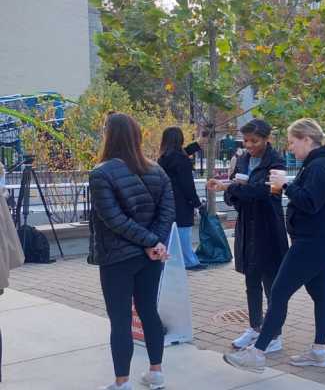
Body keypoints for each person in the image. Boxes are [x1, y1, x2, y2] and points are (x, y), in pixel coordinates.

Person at [224, 118, 325, 372]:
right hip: (317, 239)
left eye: (292, 142)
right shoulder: (317, 164)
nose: (290, 148)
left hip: (313, 242)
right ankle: (319, 352)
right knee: (320, 294)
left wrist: (285, 185)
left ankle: (257, 353)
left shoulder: (321, 166)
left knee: (278, 293)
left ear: (307, 140)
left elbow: (311, 202)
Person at [89, 113, 174, 390]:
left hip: (117, 257)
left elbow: (112, 219)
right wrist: (155, 243)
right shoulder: (157, 170)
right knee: (149, 311)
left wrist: (152, 243)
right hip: (150, 257)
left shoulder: (101, 173)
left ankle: (122, 382)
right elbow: (167, 212)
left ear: (109, 135)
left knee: (121, 319)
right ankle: (156, 372)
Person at [208, 119, 289, 352]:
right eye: (246, 140)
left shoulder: (276, 161)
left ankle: (274, 334)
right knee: (250, 281)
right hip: (246, 226)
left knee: (270, 284)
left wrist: (231, 188)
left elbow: (266, 193)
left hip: (268, 227)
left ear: (266, 139)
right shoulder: (242, 159)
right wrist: (231, 191)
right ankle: (255, 327)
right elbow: (233, 195)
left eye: (255, 141)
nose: (250, 145)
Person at [157, 127, 204, 271]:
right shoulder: (181, 160)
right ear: (180, 139)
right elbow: (187, 185)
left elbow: (182, 153)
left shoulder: (163, 158)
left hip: (167, 201)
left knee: (170, 233)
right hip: (182, 203)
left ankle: (165, 260)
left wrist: (199, 143)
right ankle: (190, 261)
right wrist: (196, 203)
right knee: (184, 233)